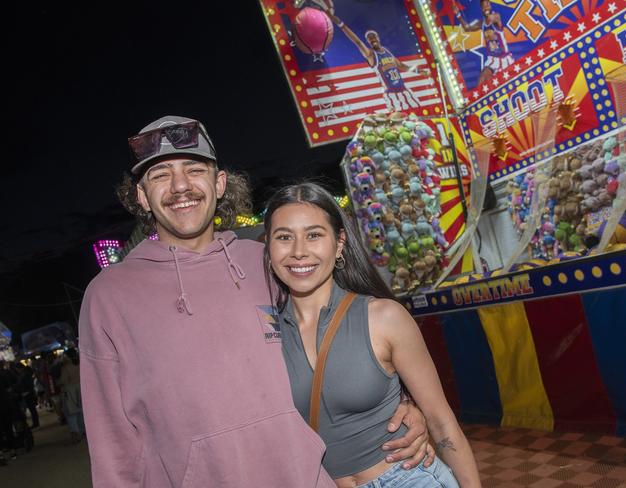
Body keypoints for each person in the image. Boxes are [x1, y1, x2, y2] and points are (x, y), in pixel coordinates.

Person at [80, 115, 431, 488]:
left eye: (194, 169)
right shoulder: (109, 295)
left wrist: (402, 398)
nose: (180, 186)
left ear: (219, 183)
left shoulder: (267, 261)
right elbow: (112, 442)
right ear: (141, 196)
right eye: (161, 175)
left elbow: (348, 330)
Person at [264, 182, 482, 487]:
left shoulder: (383, 317)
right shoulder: (265, 336)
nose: (299, 251)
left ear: (339, 243)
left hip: (408, 478)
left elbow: (441, 421)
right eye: (284, 237)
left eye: (314, 235)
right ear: (269, 247)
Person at [324, 7, 431, 111]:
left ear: (378, 38)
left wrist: (419, 71)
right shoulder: (371, 55)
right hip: (391, 95)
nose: (372, 39)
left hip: (405, 90)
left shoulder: (386, 51)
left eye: (373, 37)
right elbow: (358, 42)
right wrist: (340, 24)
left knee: (420, 117)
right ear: (368, 42)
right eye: (369, 39)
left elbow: (401, 65)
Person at [453, 0, 514, 85]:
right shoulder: (481, 23)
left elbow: (490, 19)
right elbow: (467, 28)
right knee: (482, 78)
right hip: (493, 59)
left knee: (503, 84)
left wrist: (487, 14)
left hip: (505, 58)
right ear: (481, 9)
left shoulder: (496, 17)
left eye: (488, 5)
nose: (486, 7)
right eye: (484, 6)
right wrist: (458, 14)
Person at [59, 349, 84, 443]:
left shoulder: (66, 367)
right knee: (81, 412)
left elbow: (63, 380)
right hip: (81, 388)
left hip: (70, 391)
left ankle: (76, 434)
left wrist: (59, 382)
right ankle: (83, 431)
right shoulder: (80, 363)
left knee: (71, 413)